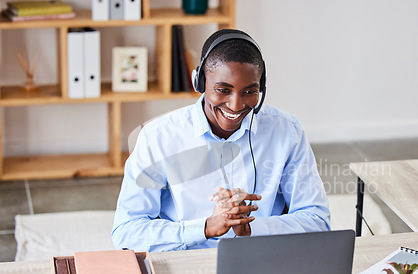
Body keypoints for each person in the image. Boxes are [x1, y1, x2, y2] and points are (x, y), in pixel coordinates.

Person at [112, 29, 330, 252]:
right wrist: (204, 228)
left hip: (261, 257)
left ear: (261, 88)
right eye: (223, 90)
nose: (236, 105)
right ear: (200, 82)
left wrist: (252, 228)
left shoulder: (286, 130)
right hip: (186, 260)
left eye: (249, 91)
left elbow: (317, 220)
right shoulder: (158, 137)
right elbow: (126, 231)